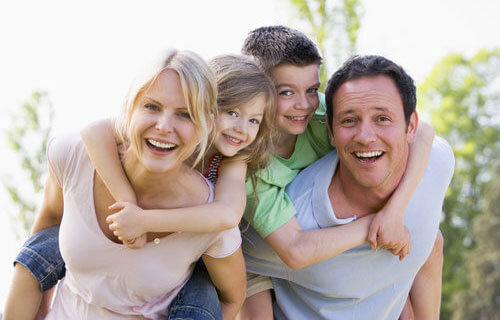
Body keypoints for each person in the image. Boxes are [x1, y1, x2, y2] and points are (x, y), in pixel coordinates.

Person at [3, 50, 247, 319]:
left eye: (185, 114)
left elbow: (231, 300)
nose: (164, 126)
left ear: (207, 125)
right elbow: (42, 241)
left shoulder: (209, 219)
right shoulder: (74, 156)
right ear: (129, 109)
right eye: (152, 107)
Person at [236, 26, 437, 319]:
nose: (303, 104)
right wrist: (376, 225)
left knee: (431, 240)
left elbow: (423, 132)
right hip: (260, 252)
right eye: (286, 92)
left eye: (311, 90)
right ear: (257, 90)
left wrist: (395, 212)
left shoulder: (321, 116)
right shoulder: (250, 162)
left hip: (315, 228)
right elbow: (295, 251)